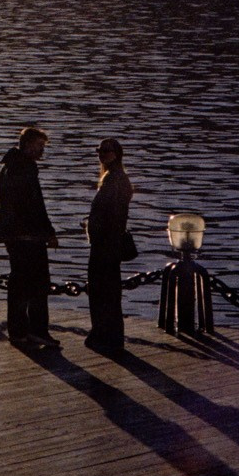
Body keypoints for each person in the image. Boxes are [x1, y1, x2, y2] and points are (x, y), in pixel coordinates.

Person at [0, 124, 60, 351]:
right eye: (40, 145)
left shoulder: (9, 166)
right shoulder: (26, 169)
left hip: (12, 234)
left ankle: (18, 331)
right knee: (38, 284)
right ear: (29, 145)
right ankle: (38, 330)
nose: (42, 150)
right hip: (28, 236)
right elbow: (35, 206)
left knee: (18, 284)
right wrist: (48, 232)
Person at [86, 136, 135, 354]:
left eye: (106, 150)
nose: (102, 154)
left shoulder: (114, 179)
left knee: (102, 292)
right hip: (109, 244)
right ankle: (108, 335)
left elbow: (110, 214)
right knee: (109, 292)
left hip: (105, 245)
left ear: (116, 154)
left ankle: (104, 335)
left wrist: (95, 228)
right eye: (99, 150)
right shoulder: (115, 178)